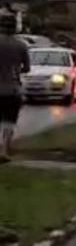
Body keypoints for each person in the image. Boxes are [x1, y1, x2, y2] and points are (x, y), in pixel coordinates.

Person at [0, 12, 29, 161]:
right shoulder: (21, 45)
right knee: (9, 121)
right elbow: (27, 68)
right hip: (12, 89)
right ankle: (4, 150)